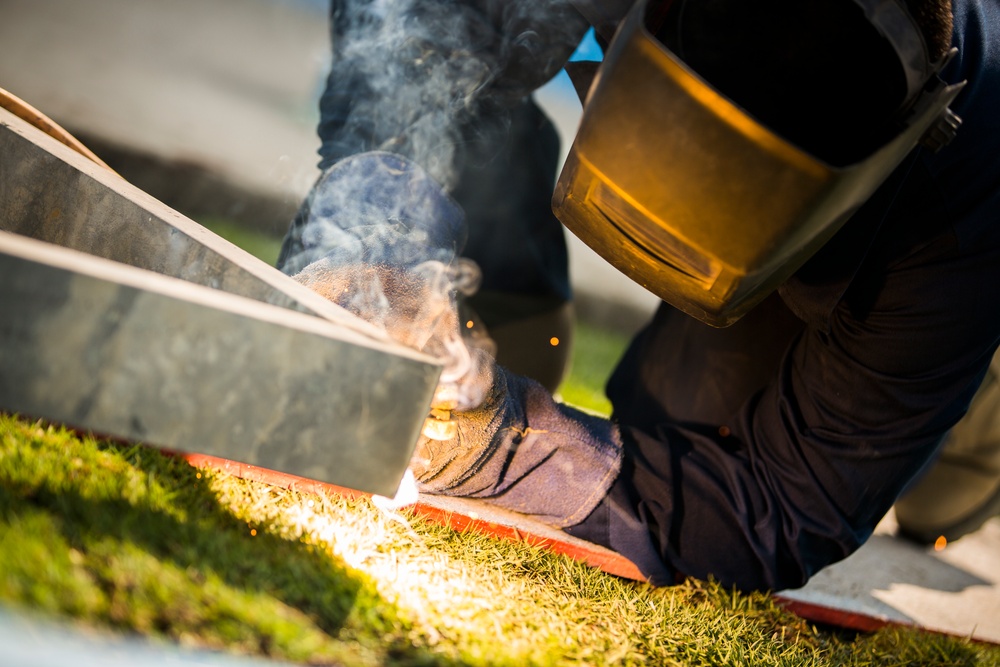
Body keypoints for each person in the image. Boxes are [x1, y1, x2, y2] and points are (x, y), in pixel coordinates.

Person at [279, 0, 1000, 592]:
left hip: (903, 269)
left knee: (686, 459)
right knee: (447, 80)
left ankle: (973, 412)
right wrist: (372, 244)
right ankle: (514, 301)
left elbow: (788, 504)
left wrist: (509, 445)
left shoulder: (961, 218)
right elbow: (414, 29)